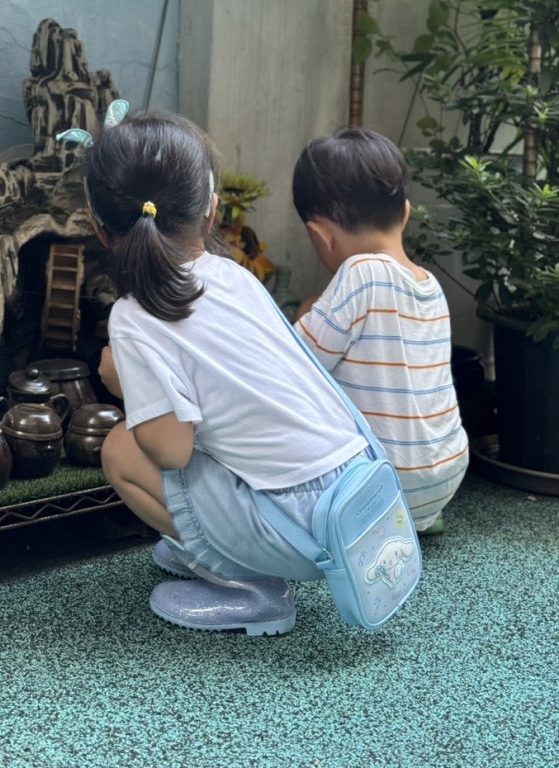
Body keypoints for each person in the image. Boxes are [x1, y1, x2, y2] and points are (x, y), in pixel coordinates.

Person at [81, 112, 384, 637]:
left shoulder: (133, 317)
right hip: (356, 497)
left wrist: (123, 385)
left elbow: (171, 450)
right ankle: (219, 545)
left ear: (99, 229)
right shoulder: (235, 277)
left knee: (121, 449)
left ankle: (250, 584)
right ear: (212, 212)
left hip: (299, 530)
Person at [291, 127, 469, 534]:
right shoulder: (430, 286)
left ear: (320, 234)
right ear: (405, 214)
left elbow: (296, 366)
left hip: (375, 482)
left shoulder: (361, 273)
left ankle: (386, 514)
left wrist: (306, 311)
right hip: (443, 476)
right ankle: (415, 515)